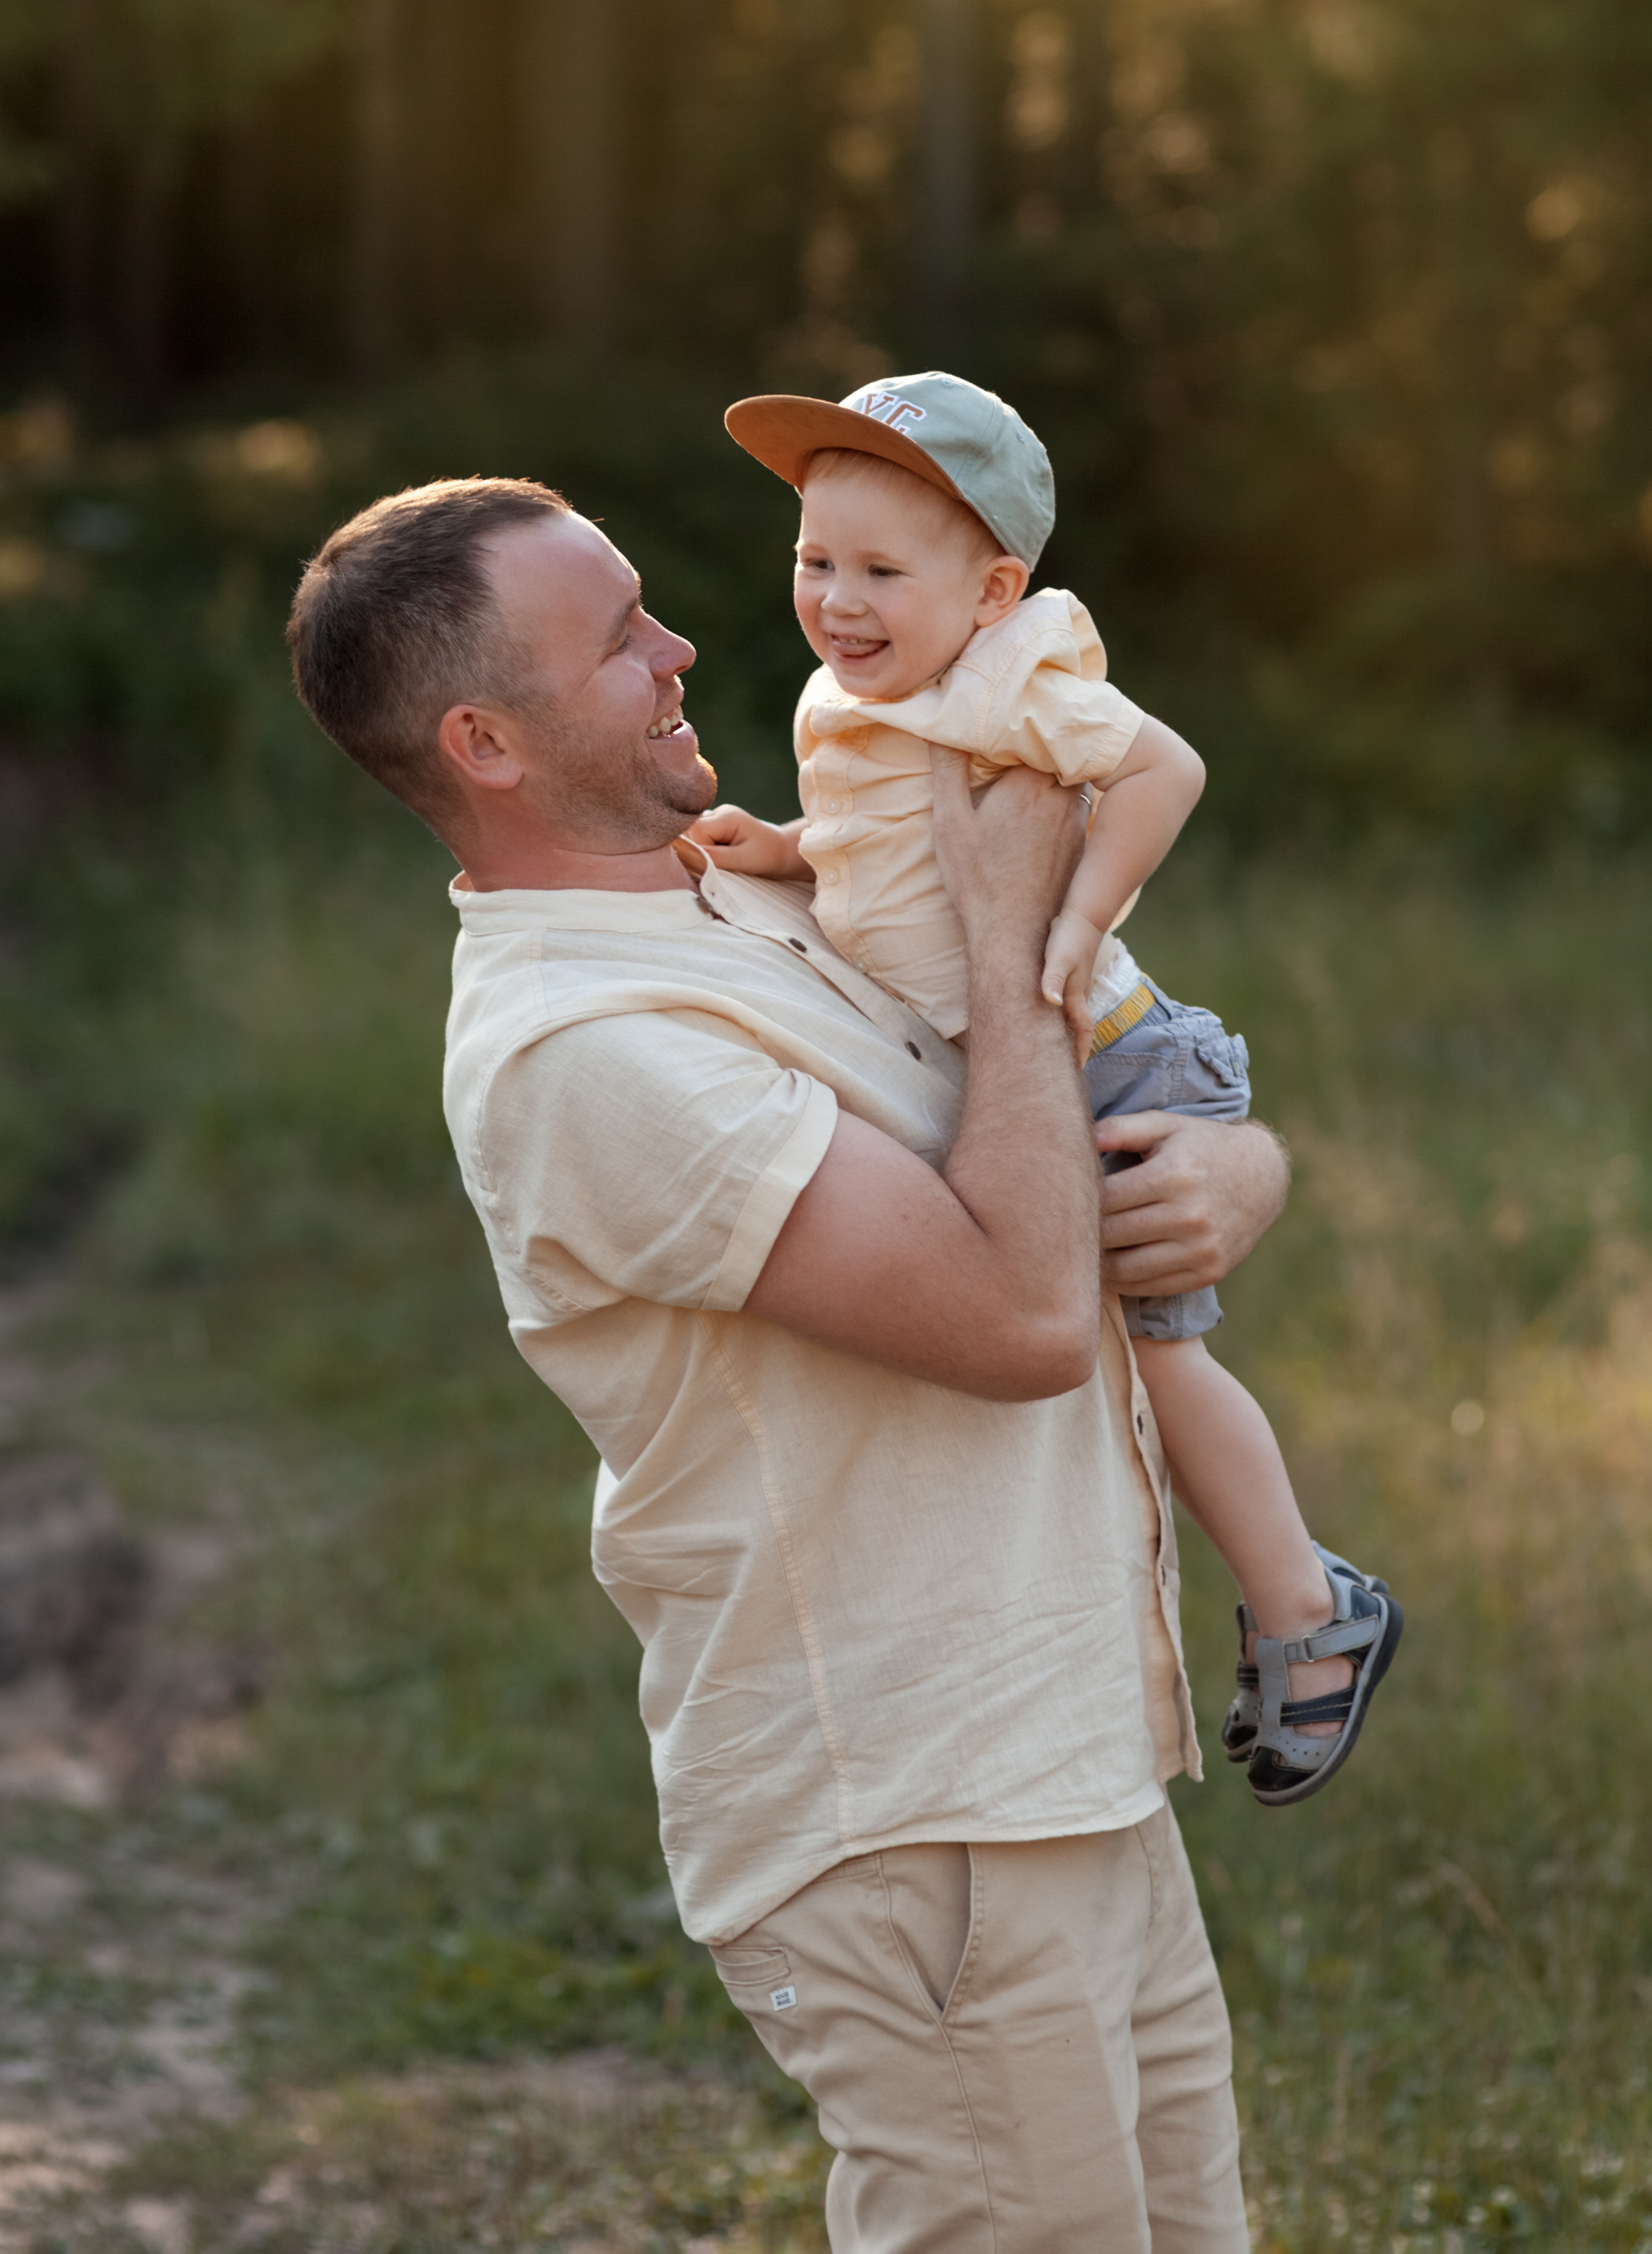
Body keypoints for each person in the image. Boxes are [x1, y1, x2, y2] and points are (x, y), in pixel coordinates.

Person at [286, 470, 1292, 2251]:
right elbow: (1020, 1318)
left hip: (1062, 1759)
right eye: (619, 640)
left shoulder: (742, 894)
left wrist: (1235, 1171)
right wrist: (1008, 936)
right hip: (913, 1818)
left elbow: (1090, 1112)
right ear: (485, 744)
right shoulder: (585, 1050)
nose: (681, 649)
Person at [689, 371, 1401, 1806]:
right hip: (1023, 1072)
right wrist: (787, 847)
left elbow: (1166, 770)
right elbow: (887, 851)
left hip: (1121, 1057)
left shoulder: (1012, 676)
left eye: (881, 571)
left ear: (992, 591)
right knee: (1085, 1361)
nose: (836, 600)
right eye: (815, 562)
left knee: (1159, 1362)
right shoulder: (858, 694)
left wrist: (1070, 921)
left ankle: (1309, 1605)